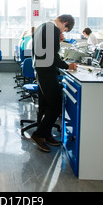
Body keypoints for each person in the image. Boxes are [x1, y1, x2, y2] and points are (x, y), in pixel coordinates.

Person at [31, 14, 78, 153]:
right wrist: (67, 66)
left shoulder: (42, 26)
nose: (62, 33)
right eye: (65, 30)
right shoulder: (53, 29)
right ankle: (38, 134)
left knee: (46, 104)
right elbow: (52, 55)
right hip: (46, 70)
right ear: (65, 23)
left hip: (40, 69)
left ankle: (46, 134)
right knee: (56, 105)